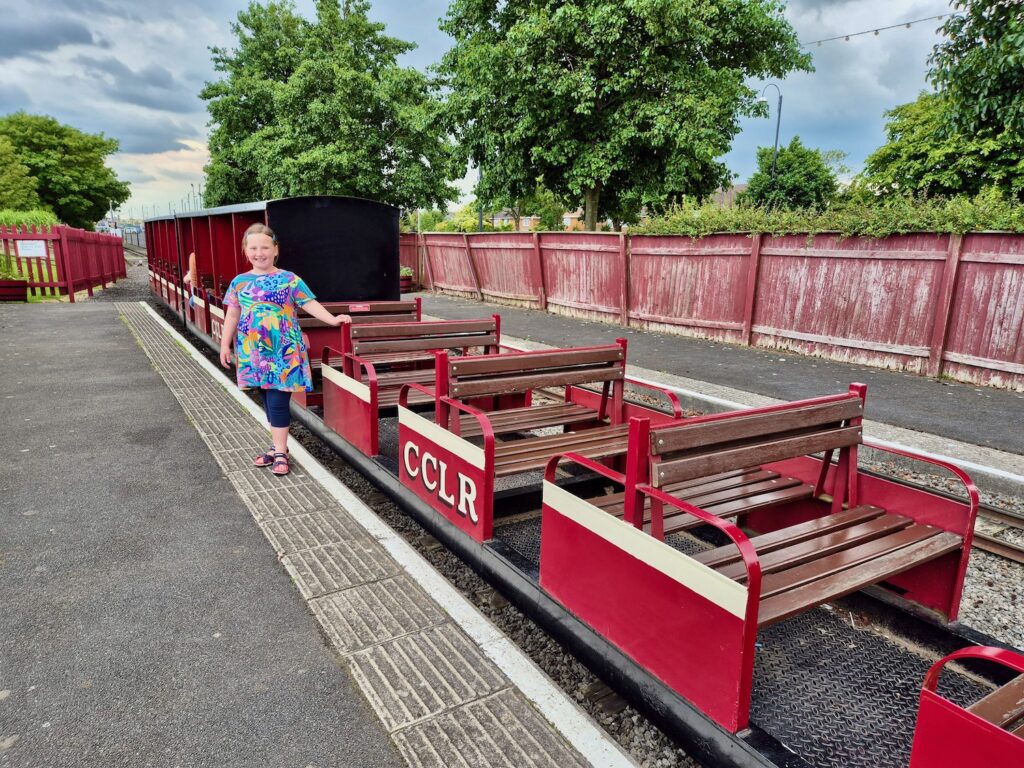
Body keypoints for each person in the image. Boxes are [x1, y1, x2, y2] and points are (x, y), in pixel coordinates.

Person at [219, 223, 349, 475]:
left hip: (283, 352)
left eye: (265, 247)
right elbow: (232, 315)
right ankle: (279, 448)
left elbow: (309, 303)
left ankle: (279, 451)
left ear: (275, 250)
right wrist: (225, 345)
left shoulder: (289, 279)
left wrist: (333, 319)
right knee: (267, 398)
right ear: (246, 251)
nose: (260, 253)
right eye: (253, 248)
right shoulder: (239, 282)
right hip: (253, 352)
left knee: (278, 400)